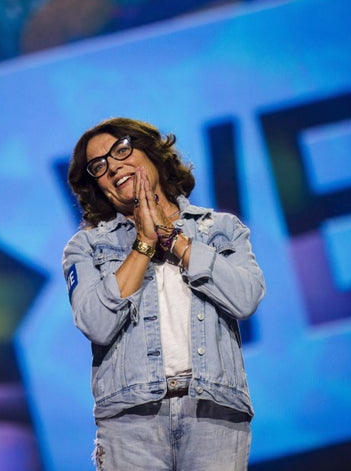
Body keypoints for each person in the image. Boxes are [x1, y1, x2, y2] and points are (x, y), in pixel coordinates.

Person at [62, 117, 266, 470]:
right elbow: (96, 323)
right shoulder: (87, 247)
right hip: (130, 422)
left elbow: (246, 297)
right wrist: (143, 245)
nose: (113, 167)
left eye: (121, 150)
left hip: (214, 414)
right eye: (99, 166)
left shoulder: (221, 229)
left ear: (152, 153)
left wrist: (175, 241)